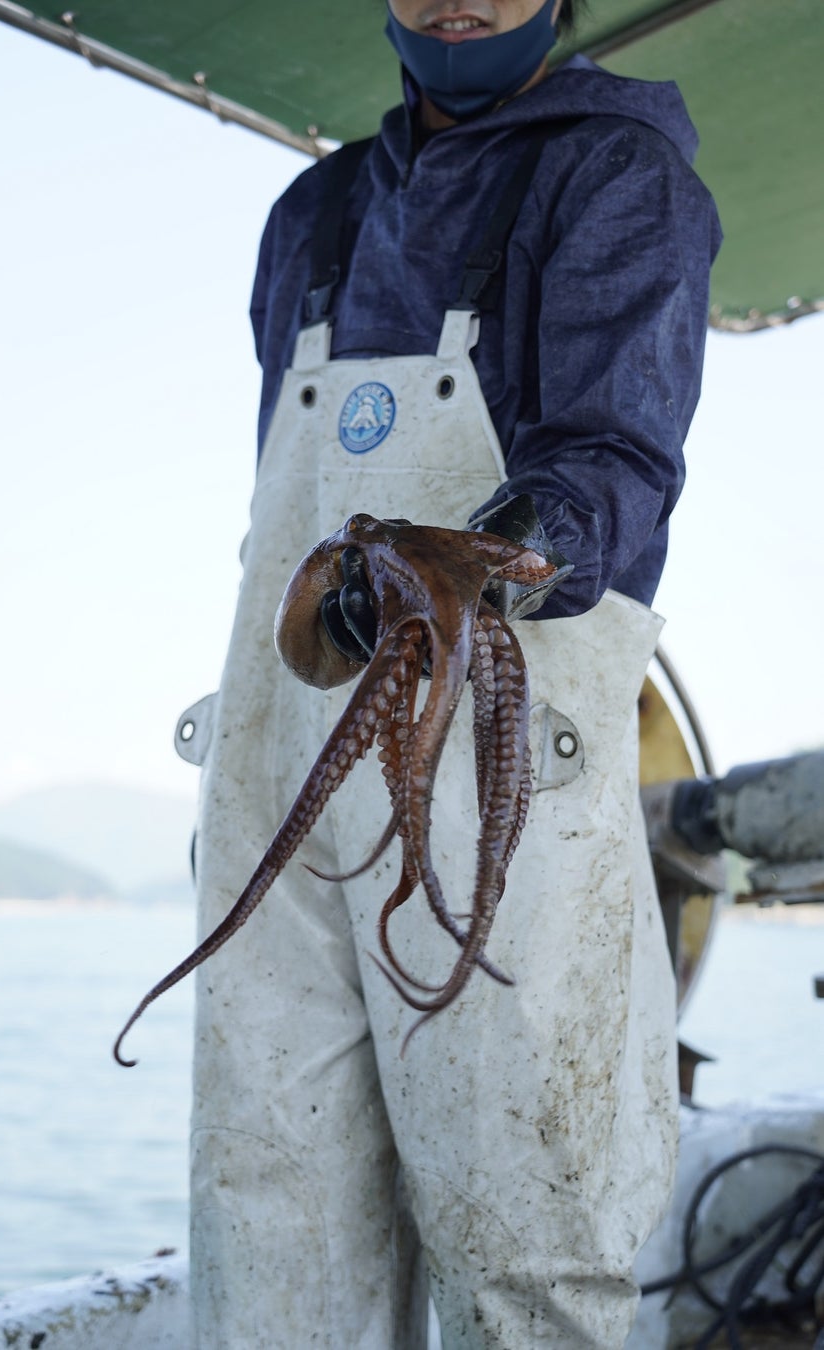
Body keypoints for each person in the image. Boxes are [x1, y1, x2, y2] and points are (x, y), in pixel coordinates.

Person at [189, 2, 722, 1346]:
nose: (458, 4)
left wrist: (495, 552)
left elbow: (612, 459)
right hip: (287, 759)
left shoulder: (616, 173)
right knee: (268, 1212)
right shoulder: (309, 218)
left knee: (525, 1229)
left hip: (504, 787)